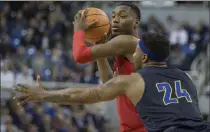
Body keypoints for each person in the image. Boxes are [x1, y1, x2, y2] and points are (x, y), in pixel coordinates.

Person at [14, 32, 210, 132]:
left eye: (137, 51)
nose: (134, 53)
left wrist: (44, 95)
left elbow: (86, 95)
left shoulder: (133, 80)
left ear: (144, 58)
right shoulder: (185, 77)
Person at [73, 3, 147, 132]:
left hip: (143, 127)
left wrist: (78, 31)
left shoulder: (127, 42)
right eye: (113, 16)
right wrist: (99, 44)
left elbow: (79, 56)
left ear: (136, 23)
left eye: (123, 16)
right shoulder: (125, 49)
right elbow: (108, 81)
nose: (116, 20)